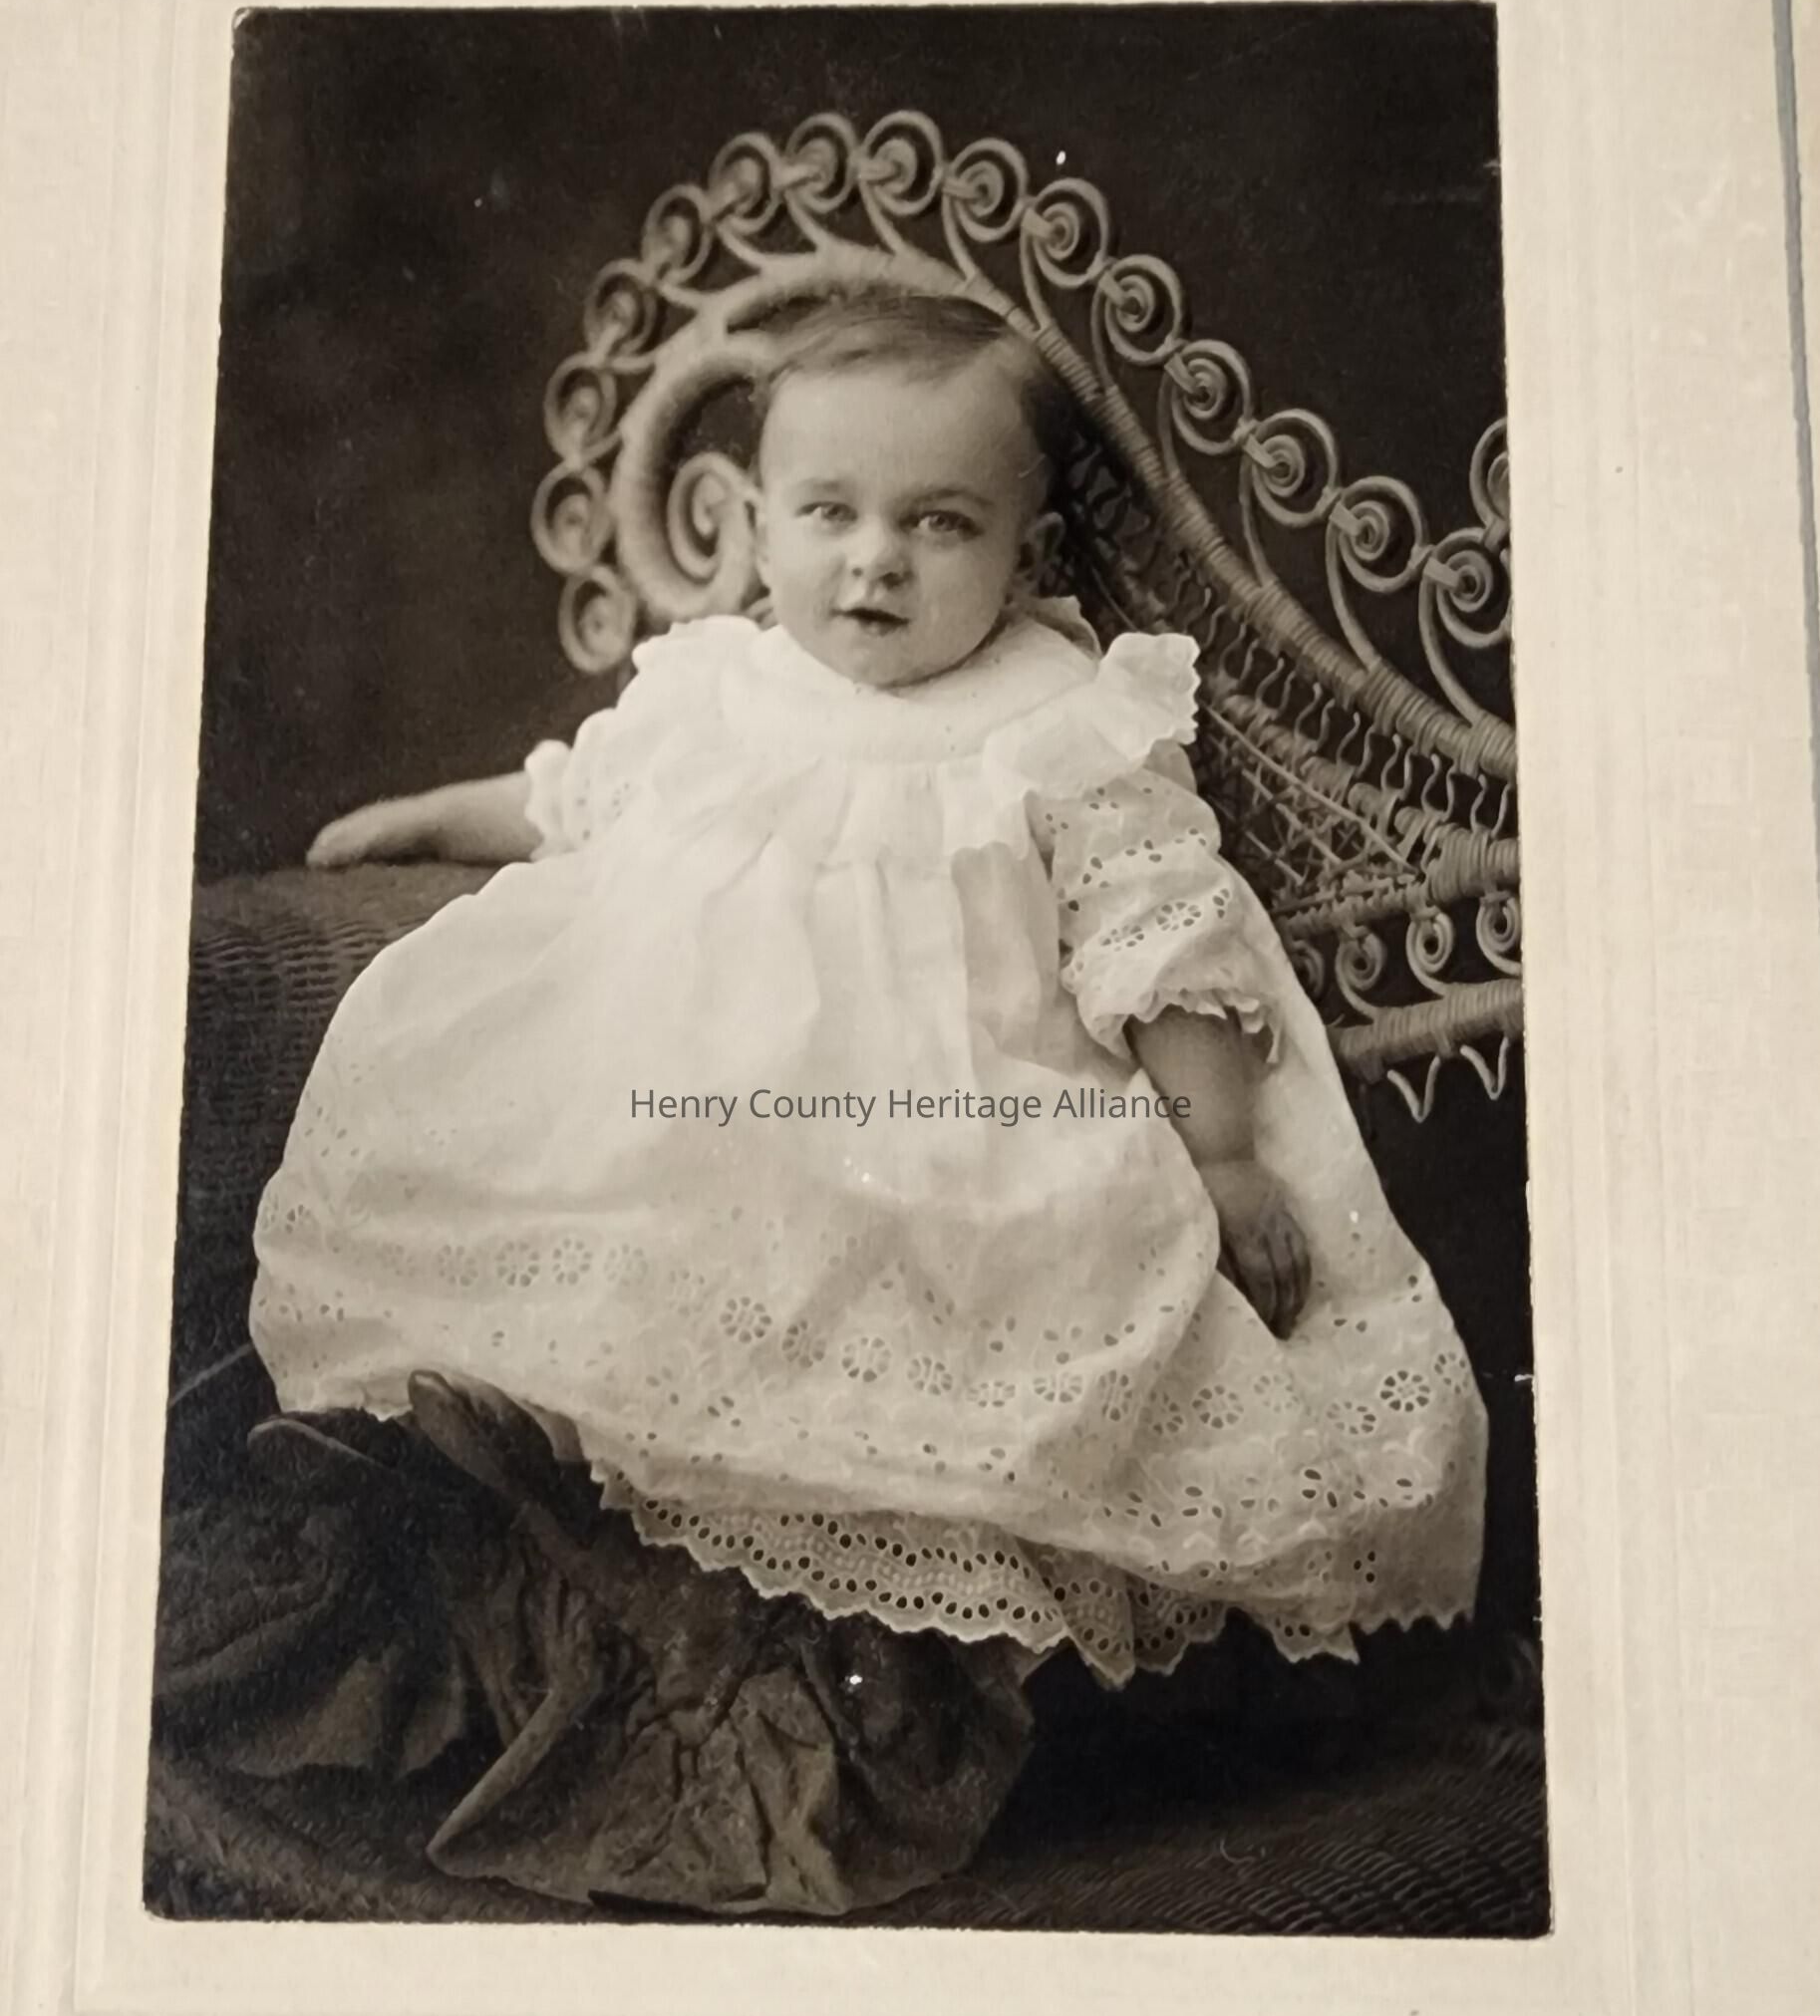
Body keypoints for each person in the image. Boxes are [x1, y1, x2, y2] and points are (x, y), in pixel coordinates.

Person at [235, 290, 1485, 1915]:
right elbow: (578, 792)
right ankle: (615, 1621)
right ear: (758, 524)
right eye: (829, 513)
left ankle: (859, 1683)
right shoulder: (722, 689)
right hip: (688, 1123)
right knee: (617, 1271)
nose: (874, 560)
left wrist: (1228, 1153)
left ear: (1028, 551)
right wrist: (431, 813)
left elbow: (1161, 941)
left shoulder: (1056, 720)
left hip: (959, 1143)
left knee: (952, 1379)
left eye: (937, 522)